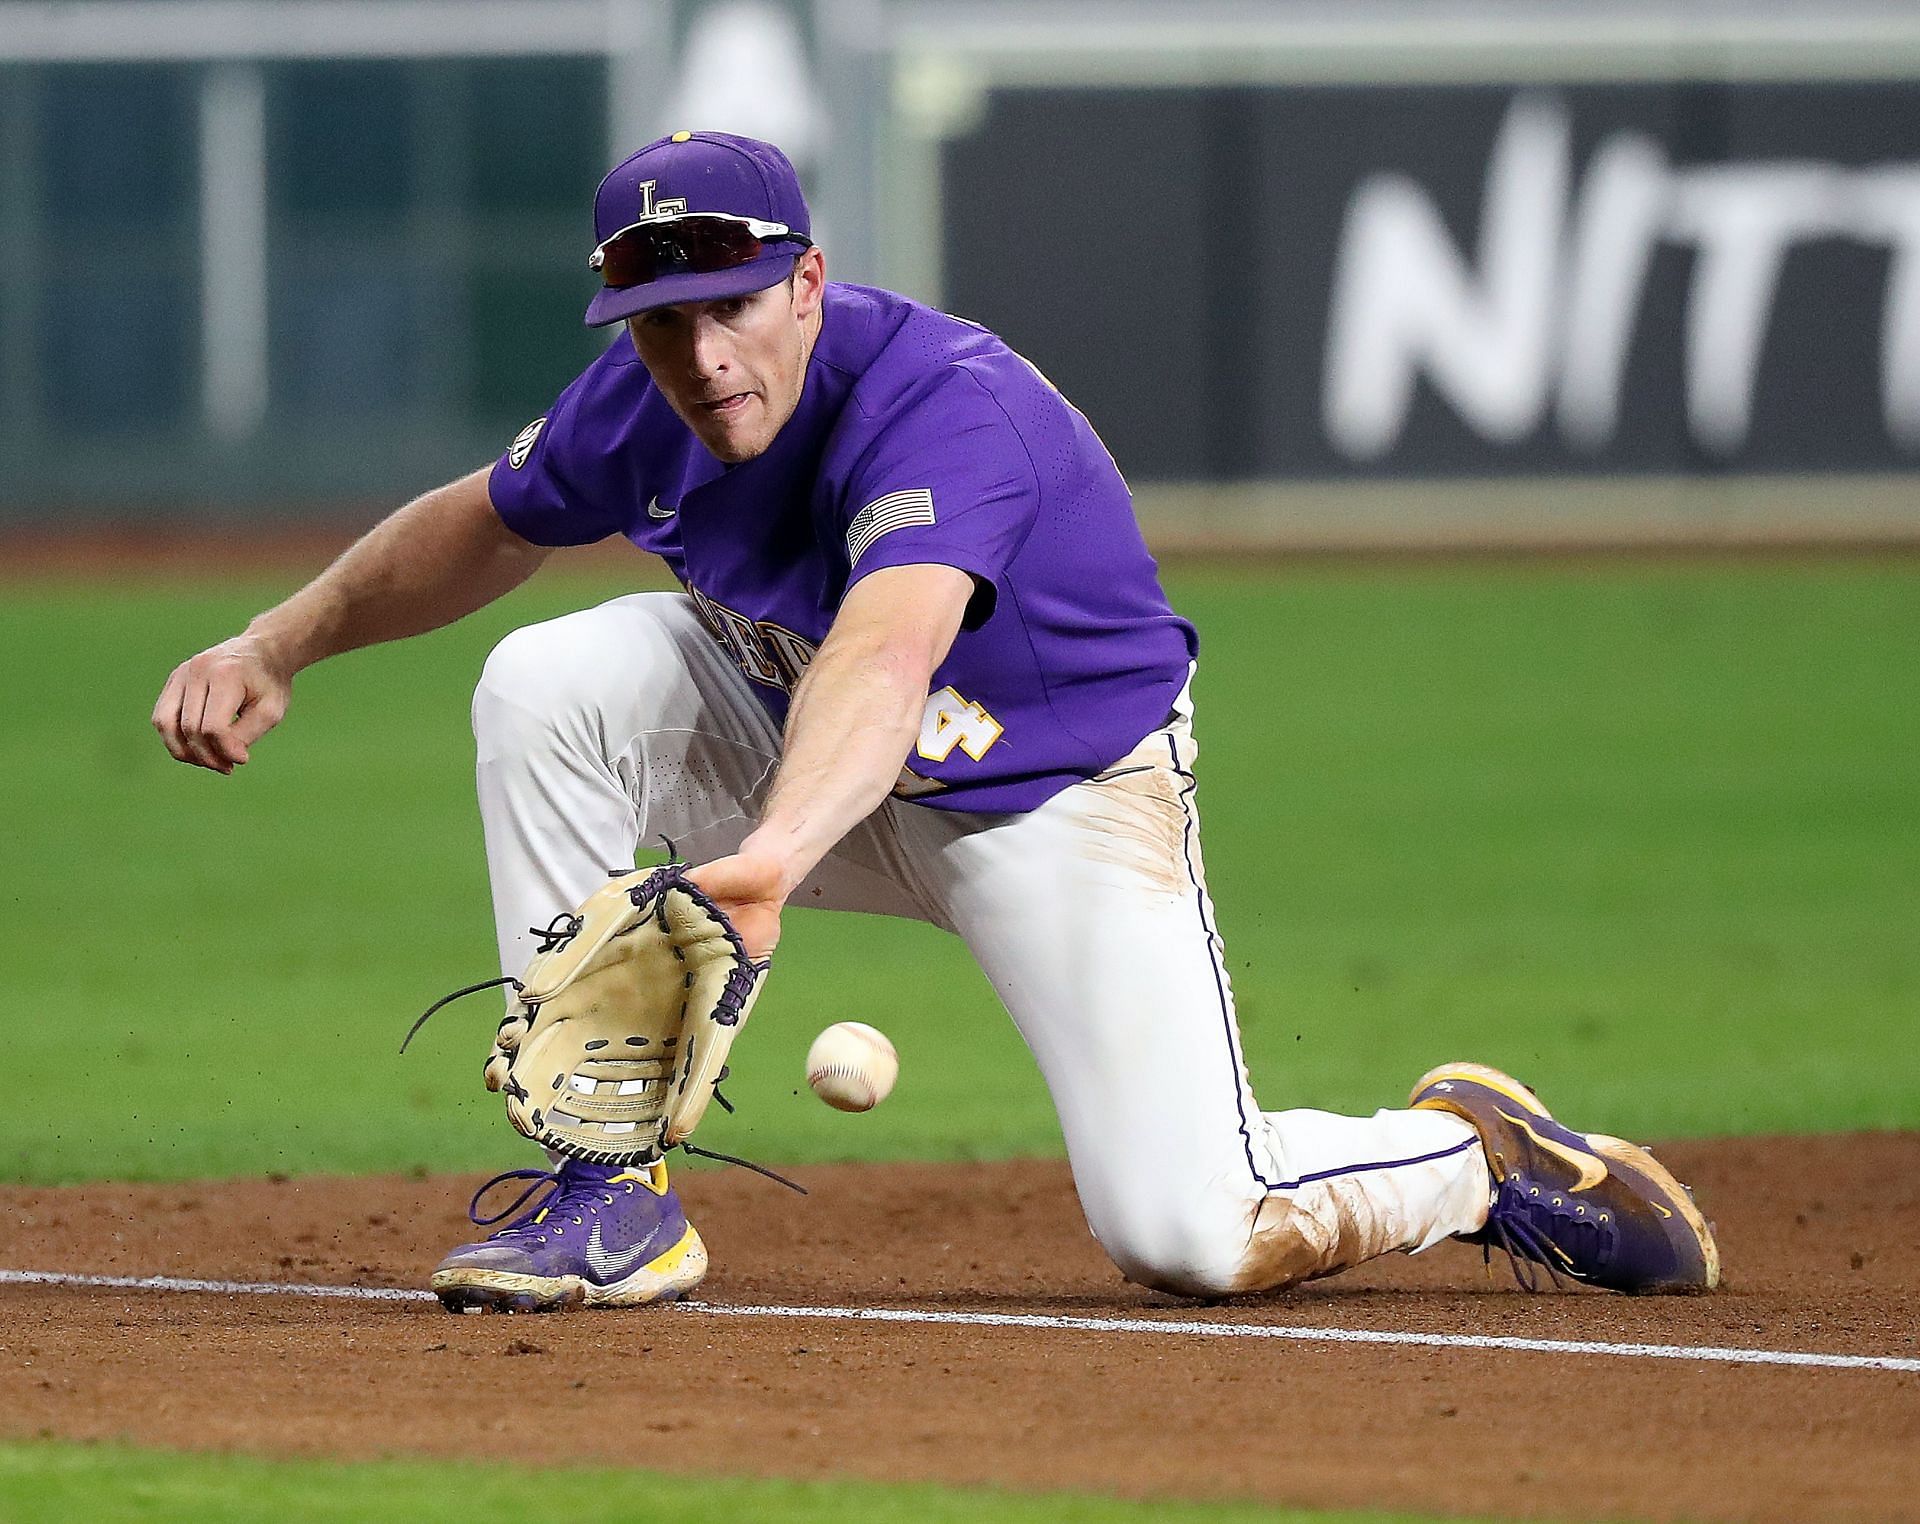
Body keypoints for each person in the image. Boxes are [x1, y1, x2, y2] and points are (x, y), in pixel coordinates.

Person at [153, 131, 1718, 1312]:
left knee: (1191, 1233)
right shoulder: (644, 392)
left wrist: (763, 862)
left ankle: (1476, 1155)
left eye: (736, 306)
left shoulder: (944, 408)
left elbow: (889, 651)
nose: (701, 355)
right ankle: (603, 1188)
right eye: (660, 322)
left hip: (1049, 798)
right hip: (797, 743)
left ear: (810, 286)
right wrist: (277, 640)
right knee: (547, 685)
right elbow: (484, 519)